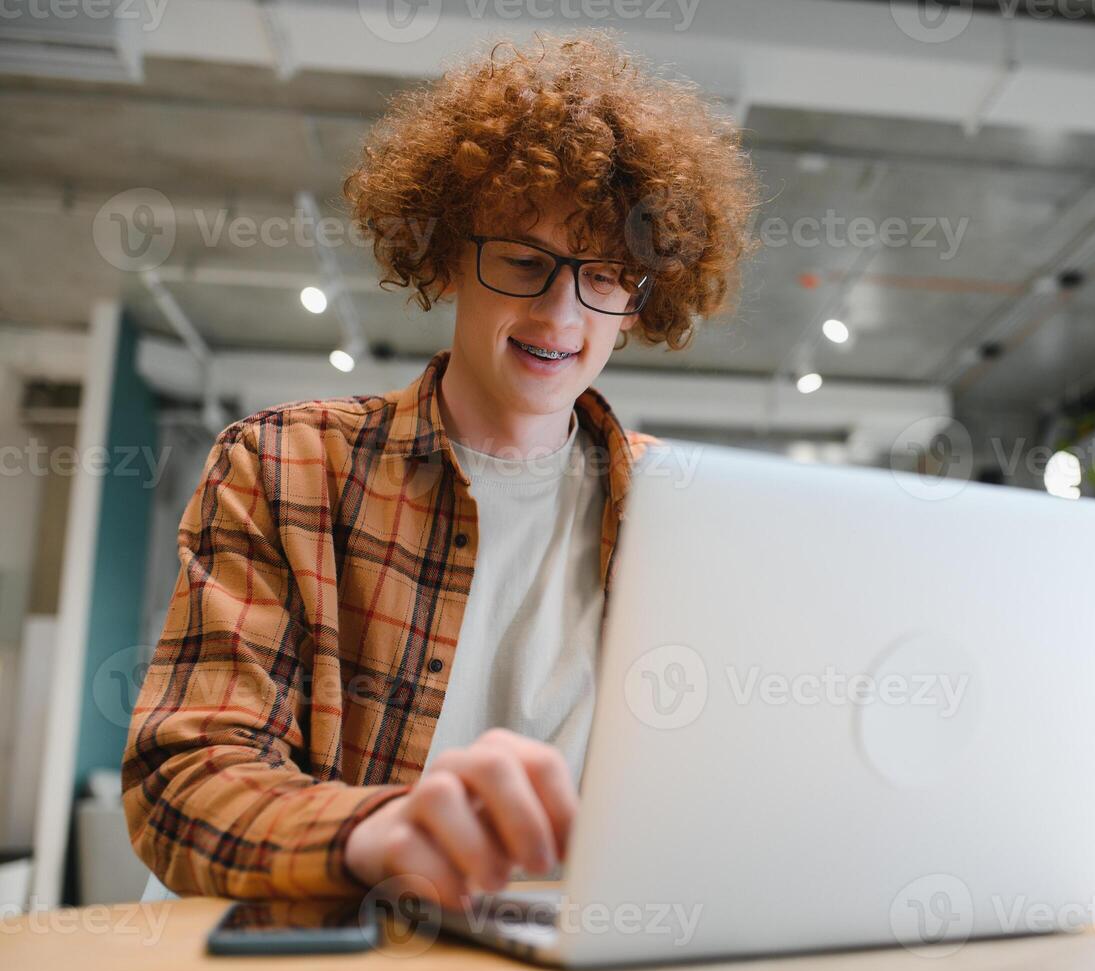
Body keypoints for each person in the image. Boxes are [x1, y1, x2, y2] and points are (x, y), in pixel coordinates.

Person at [121, 29, 760, 903]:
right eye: (523, 261)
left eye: (604, 274)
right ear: (449, 257)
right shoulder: (285, 464)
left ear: (639, 299)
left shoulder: (685, 513)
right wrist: (380, 829)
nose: (558, 312)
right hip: (313, 943)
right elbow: (181, 780)